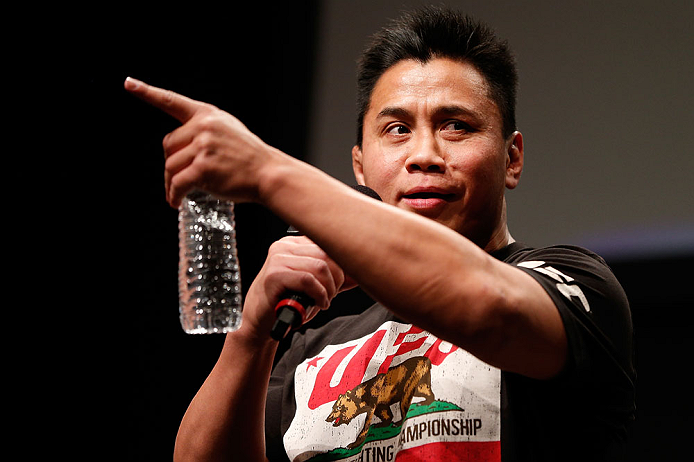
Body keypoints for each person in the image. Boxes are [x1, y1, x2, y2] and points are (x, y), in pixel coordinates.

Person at [125, 6, 635, 461]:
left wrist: (269, 173)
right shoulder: (312, 350)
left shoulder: (574, 283)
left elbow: (491, 312)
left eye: (456, 125)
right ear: (360, 168)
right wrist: (250, 338)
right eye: (396, 130)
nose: (424, 155)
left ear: (512, 157)